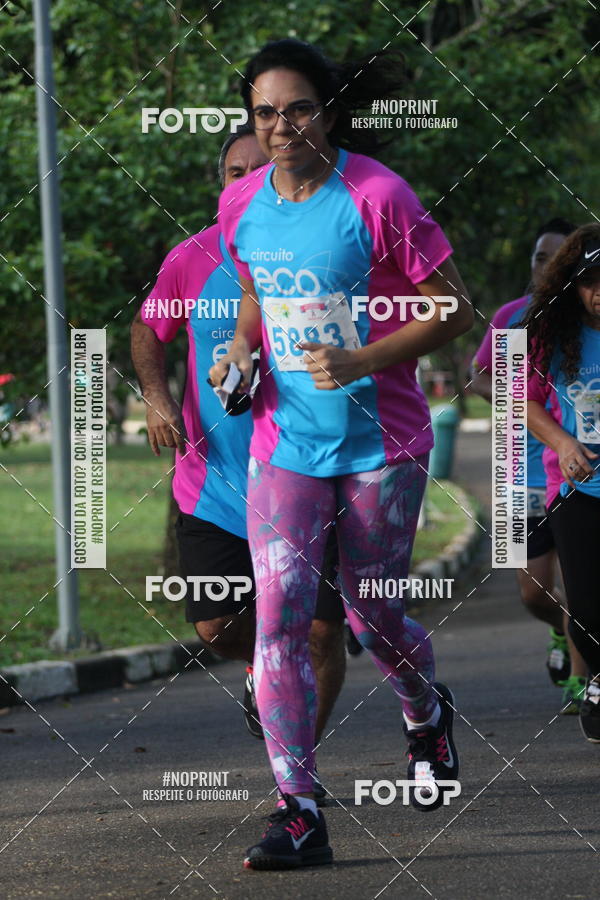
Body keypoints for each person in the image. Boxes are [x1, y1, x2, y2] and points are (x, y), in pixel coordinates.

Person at [211, 39, 473, 870]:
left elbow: (455, 309)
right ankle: (298, 809)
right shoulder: (241, 203)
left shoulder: (378, 195)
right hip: (285, 443)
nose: (282, 127)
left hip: (379, 446)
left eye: (298, 109)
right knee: (280, 619)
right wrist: (241, 352)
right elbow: (252, 293)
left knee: (370, 616)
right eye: (265, 113)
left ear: (328, 111)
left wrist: (360, 361)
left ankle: (425, 714)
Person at [130, 126, 347, 793]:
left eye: (262, 169)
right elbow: (147, 330)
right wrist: (158, 399)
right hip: (216, 483)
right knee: (217, 624)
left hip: (311, 474)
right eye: (235, 173)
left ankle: (295, 779)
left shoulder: (326, 250)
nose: (250, 181)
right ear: (220, 186)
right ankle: (263, 666)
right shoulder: (190, 258)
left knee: (319, 633)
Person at [470, 219, 587, 713]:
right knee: (532, 591)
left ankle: (582, 682)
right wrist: (519, 401)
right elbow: (479, 377)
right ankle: (565, 631)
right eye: (540, 257)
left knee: (582, 583)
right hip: (515, 469)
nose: (545, 267)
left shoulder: (584, 323)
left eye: (556, 259)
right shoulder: (512, 318)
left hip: (575, 472)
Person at [525, 223, 600, 743]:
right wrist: (563, 442)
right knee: (583, 605)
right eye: (589, 281)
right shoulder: (545, 331)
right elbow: (515, 396)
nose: (599, 292)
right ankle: (594, 674)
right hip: (573, 489)